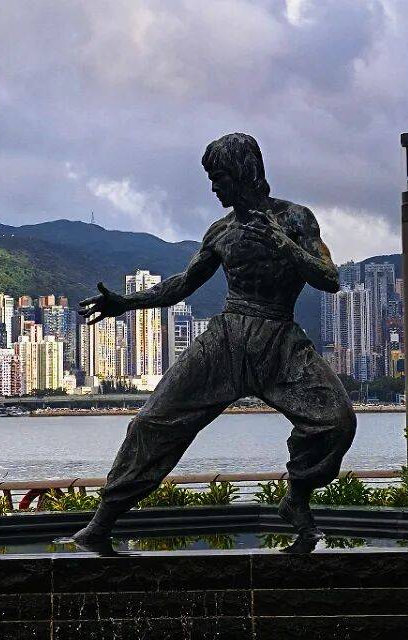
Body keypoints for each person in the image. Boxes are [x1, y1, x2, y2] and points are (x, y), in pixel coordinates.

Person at [73, 132, 356, 548]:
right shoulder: (220, 231)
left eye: (219, 177)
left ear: (244, 172)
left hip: (279, 339)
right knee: (152, 423)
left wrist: (282, 243)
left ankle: (296, 498)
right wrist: (126, 303)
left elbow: (329, 278)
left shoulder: (296, 218)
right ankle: (103, 521)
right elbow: (183, 284)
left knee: (336, 421)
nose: (213, 188)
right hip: (225, 340)